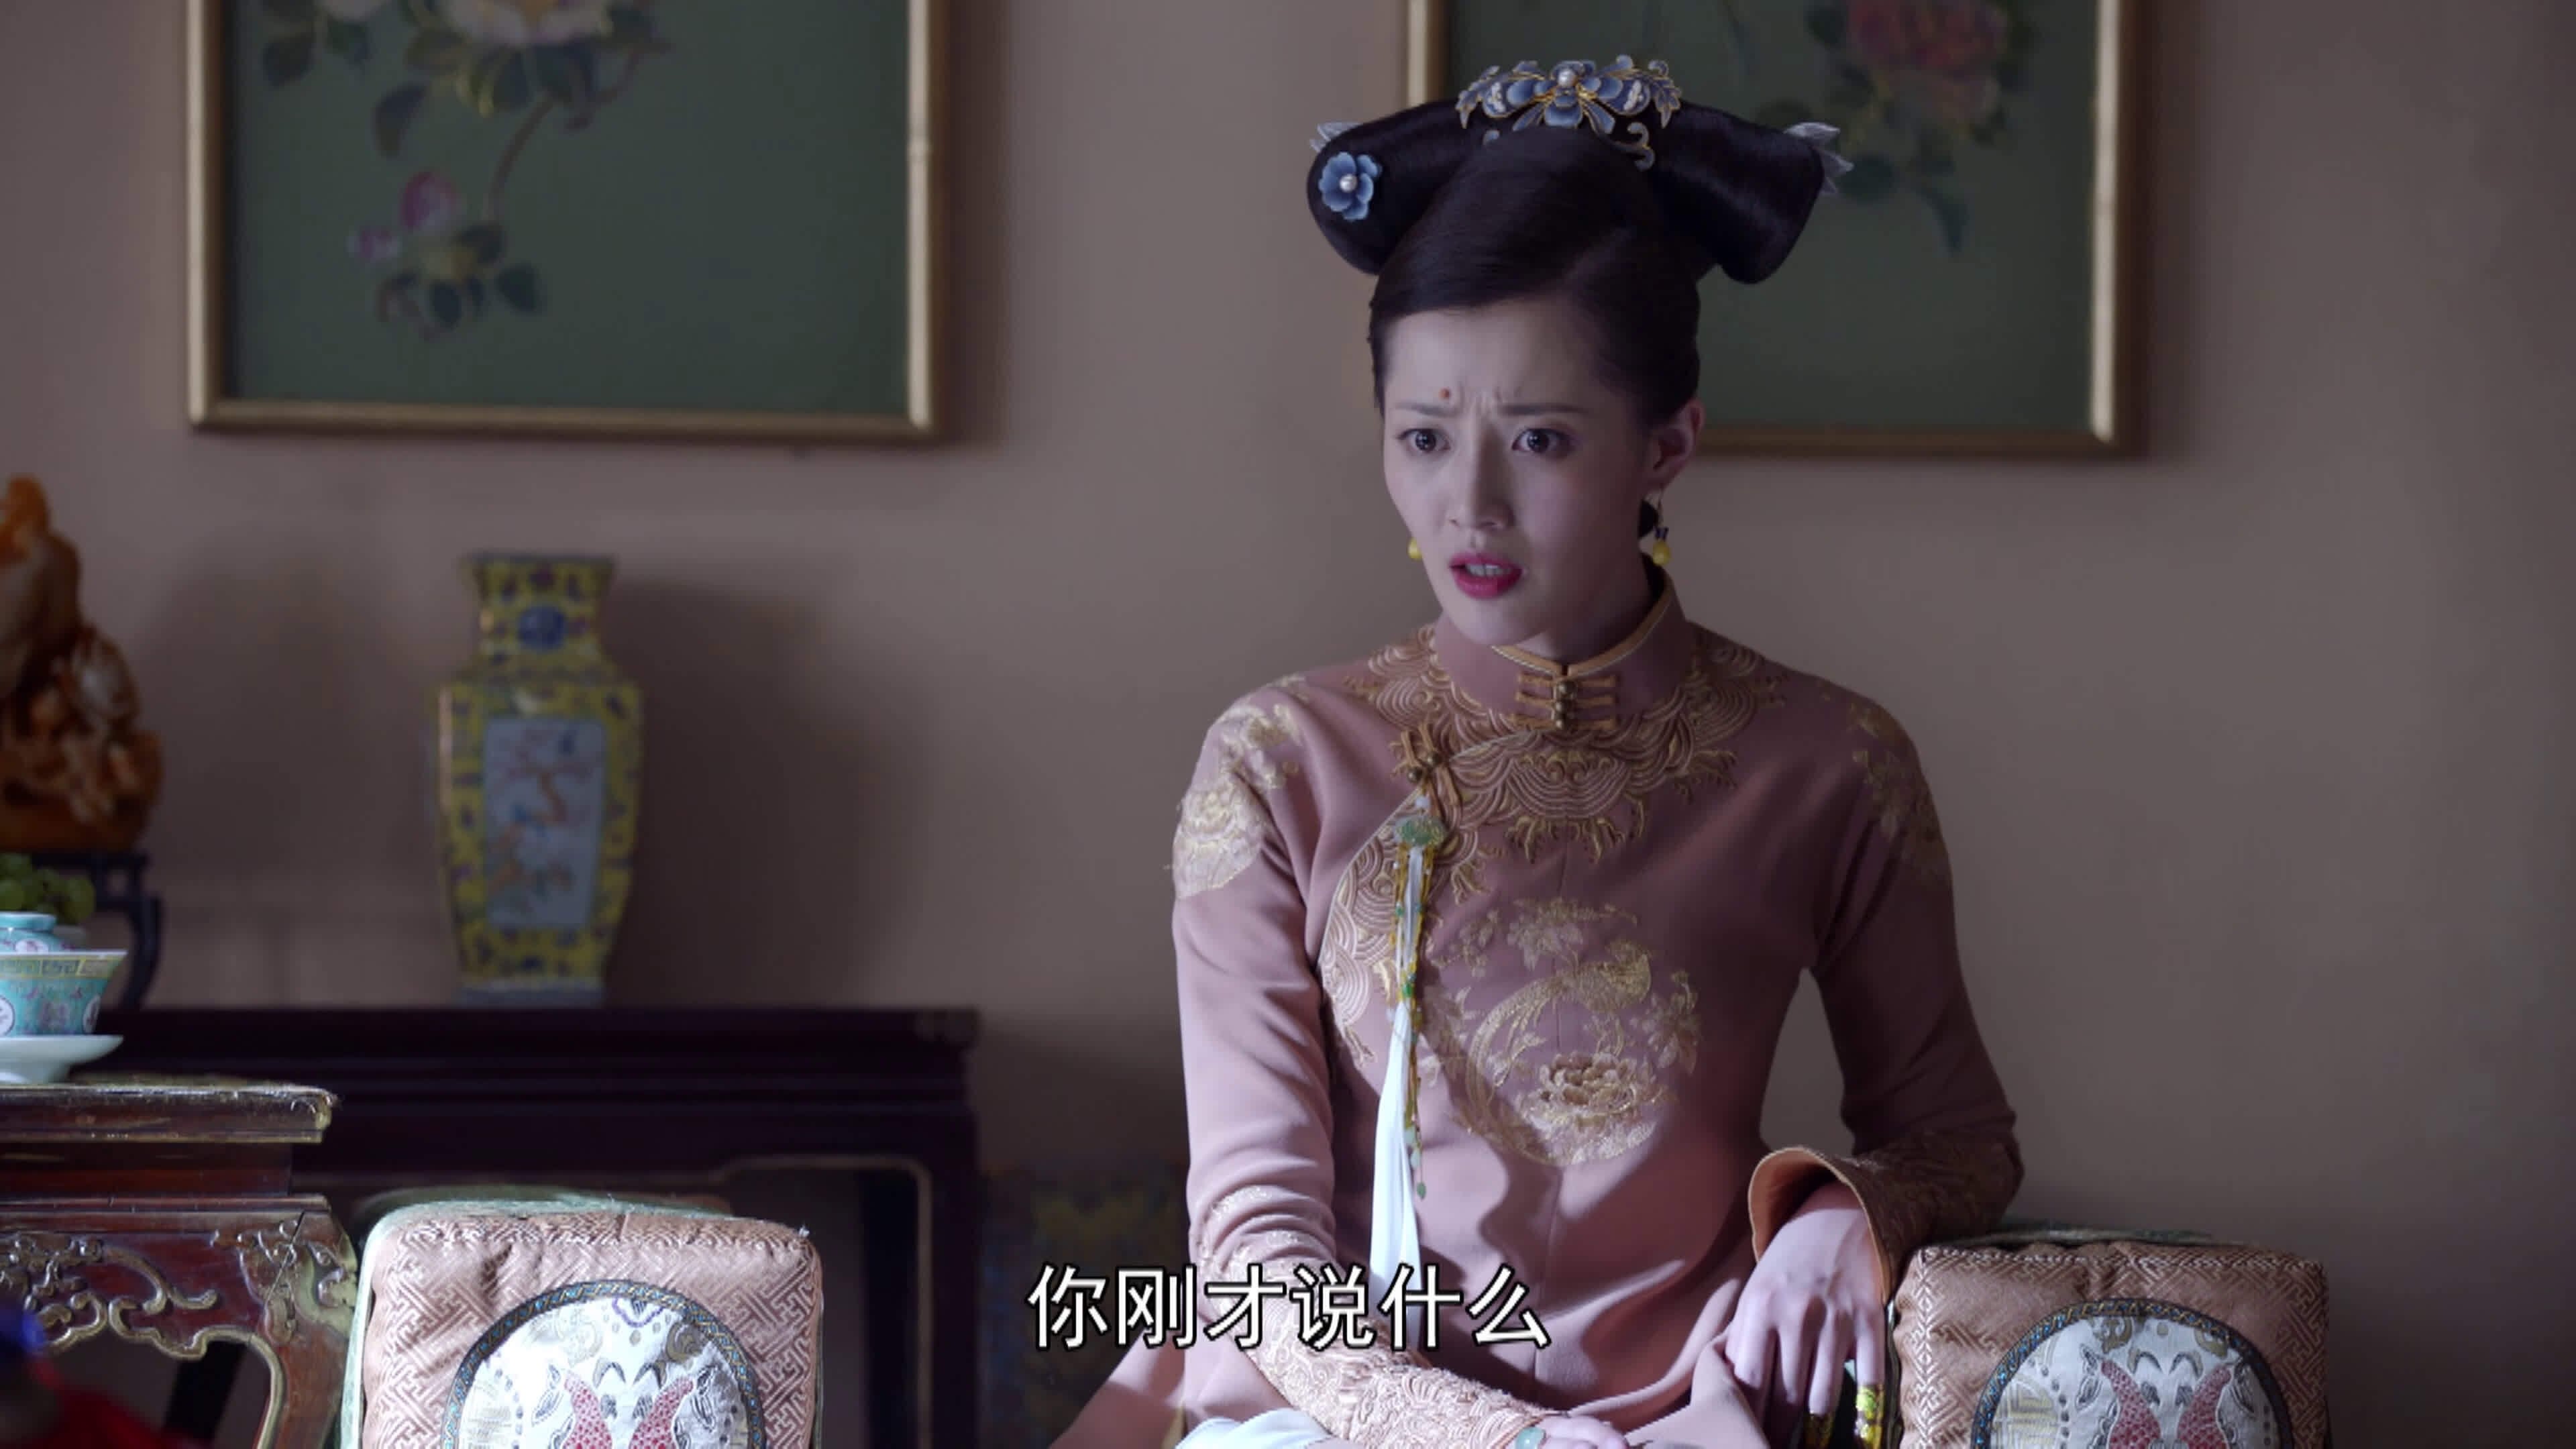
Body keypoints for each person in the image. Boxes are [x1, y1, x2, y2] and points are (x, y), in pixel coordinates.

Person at [1060, 55, 2020, 1449]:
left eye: (1542, 441)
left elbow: (1959, 1140)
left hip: (1696, 1412)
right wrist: (1506, 1445)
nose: (1471, 504)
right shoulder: (1282, 763)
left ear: (1668, 445)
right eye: (1424, 437)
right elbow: (1259, 1254)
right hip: (1337, 1418)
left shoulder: (1828, 762)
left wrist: (1835, 1217)